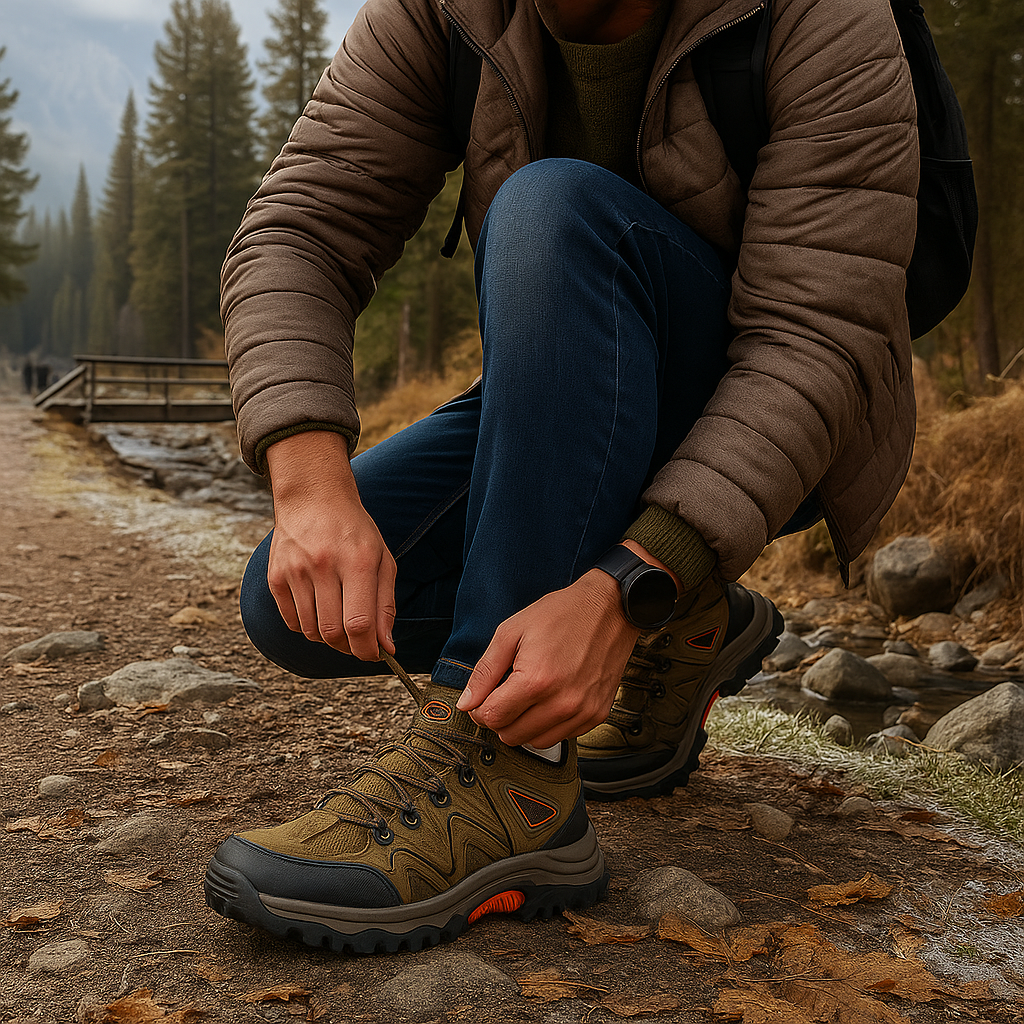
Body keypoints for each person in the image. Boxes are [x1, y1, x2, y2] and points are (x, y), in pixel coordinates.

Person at [206, 0, 918, 953]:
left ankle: (509, 773)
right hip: (568, 392)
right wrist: (309, 484)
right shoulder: (441, 11)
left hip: (768, 412)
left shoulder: (823, 15)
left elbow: (817, 340)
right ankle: (689, 620)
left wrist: (629, 588)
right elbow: (299, 230)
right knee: (286, 602)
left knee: (549, 206)